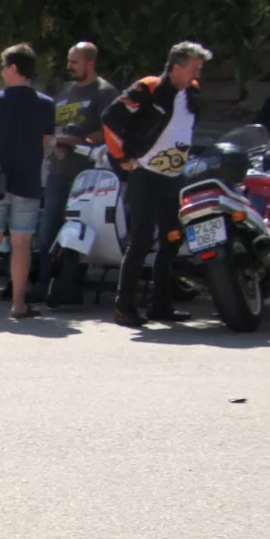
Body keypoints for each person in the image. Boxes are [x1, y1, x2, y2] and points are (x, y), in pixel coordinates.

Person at [102, 40, 213, 328]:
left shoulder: (193, 91)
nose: (197, 73)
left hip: (173, 178)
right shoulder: (149, 87)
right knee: (141, 239)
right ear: (176, 66)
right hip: (145, 175)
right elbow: (111, 118)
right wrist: (122, 157)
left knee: (172, 237)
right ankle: (123, 307)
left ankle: (160, 304)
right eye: (194, 68)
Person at [0, 43, 54, 318]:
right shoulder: (46, 104)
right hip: (28, 180)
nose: (1, 72)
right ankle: (18, 304)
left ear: (13, 68)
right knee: (21, 244)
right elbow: (46, 141)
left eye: (3, 67)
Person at [33, 41, 117, 301]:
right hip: (59, 170)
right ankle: (41, 286)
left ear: (90, 63)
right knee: (50, 230)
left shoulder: (104, 93)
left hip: (89, 175)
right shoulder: (67, 90)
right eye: (69, 61)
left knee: (81, 231)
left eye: (74, 62)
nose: (69, 67)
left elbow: (111, 131)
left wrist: (80, 141)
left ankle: (70, 289)